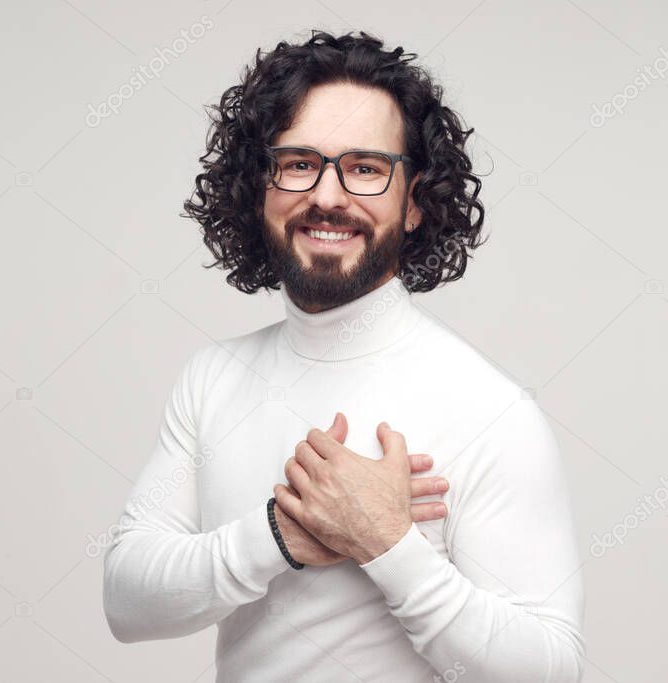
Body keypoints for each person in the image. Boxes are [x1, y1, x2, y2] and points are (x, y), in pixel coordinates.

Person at [102, 29, 585, 682]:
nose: (328, 195)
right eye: (300, 162)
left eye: (365, 168)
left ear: (414, 201)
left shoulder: (488, 408)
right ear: (261, 186)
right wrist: (278, 536)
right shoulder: (212, 378)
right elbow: (127, 603)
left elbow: (550, 671)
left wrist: (386, 542)